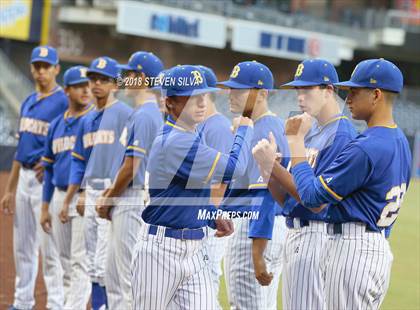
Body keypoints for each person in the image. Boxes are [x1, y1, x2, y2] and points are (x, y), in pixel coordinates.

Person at [256, 58, 411, 309]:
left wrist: (294, 142)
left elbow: (312, 198)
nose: (347, 98)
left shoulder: (364, 145)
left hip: (353, 247)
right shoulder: (398, 139)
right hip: (375, 244)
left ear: (376, 95)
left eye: (354, 92)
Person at [131, 65, 254, 309]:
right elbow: (235, 169)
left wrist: (211, 215)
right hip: (160, 250)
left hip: (194, 249)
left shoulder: (191, 133)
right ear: (170, 104)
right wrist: (244, 129)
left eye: (203, 96)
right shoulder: (175, 140)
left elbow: (182, 195)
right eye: (190, 98)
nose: (200, 103)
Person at [252, 59, 357, 309]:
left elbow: (316, 203)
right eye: (298, 89)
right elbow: (287, 200)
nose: (300, 96)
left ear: (329, 90)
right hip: (297, 231)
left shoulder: (341, 134)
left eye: (307, 89)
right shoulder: (308, 131)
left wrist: (274, 166)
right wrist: (267, 169)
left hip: (319, 234)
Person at [95, 51, 164, 309]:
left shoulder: (146, 114)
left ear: (142, 78)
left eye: (129, 74)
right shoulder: (142, 112)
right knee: (113, 275)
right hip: (126, 197)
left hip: (133, 198)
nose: (124, 79)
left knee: (127, 278)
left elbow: (132, 166)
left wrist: (109, 196)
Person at [1, 46, 68, 310]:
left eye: (46, 66)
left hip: (46, 182)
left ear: (56, 69)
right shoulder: (28, 102)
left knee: (50, 249)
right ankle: (22, 302)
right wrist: (9, 188)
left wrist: (54, 160)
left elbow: (71, 139)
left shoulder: (64, 101)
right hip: (24, 180)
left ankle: (56, 304)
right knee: (23, 247)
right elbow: (21, 149)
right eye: (37, 66)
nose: (41, 71)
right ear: (31, 68)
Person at [218, 61, 288, 310]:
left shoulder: (261, 131)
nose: (231, 94)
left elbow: (263, 195)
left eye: (239, 90)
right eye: (231, 88)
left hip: (254, 228)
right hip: (271, 227)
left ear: (262, 94)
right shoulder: (274, 125)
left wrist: (257, 253)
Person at [64, 56, 133, 310]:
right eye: (93, 79)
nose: (96, 84)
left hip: (113, 191)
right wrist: (80, 192)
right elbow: (79, 161)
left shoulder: (126, 114)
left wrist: (115, 193)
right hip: (91, 190)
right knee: (92, 260)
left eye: (104, 79)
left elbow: (133, 158)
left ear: (115, 84)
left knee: (107, 261)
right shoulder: (86, 120)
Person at [40, 66, 93, 309]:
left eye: (88, 84)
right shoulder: (55, 126)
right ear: (68, 91)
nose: (86, 89)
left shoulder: (95, 122)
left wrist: (87, 193)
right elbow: (49, 170)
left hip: (84, 197)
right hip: (59, 196)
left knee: (80, 261)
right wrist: (44, 207)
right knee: (64, 260)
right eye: (80, 85)